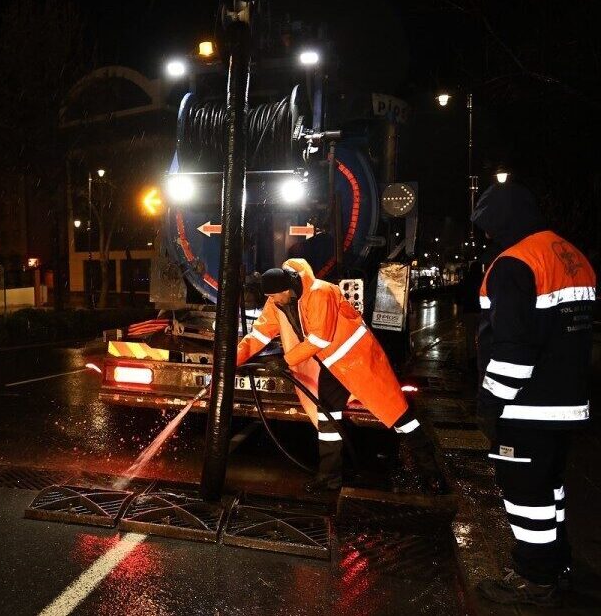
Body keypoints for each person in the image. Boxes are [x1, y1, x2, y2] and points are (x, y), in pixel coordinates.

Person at [470, 182, 595, 607]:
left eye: (488, 228)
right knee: (550, 489)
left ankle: (534, 577)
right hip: (566, 404)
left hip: (526, 407)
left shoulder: (514, 264)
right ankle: (557, 564)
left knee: (524, 494)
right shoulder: (571, 256)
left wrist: (491, 401)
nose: (488, 237)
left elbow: (513, 348)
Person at [235, 258, 445, 494]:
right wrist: (232, 360)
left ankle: (433, 474)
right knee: (327, 418)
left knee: (400, 417)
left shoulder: (321, 292)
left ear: (287, 289)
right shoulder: (279, 302)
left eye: (274, 297)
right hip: (331, 367)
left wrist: (284, 361)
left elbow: (319, 339)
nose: (271, 302)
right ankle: (329, 478)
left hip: (361, 363)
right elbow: (259, 335)